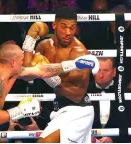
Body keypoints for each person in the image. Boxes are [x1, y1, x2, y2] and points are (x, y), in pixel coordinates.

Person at [0, 43, 99, 143]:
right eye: (22, 60)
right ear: (12, 62)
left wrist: (73, 64)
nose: (24, 62)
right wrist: (20, 111)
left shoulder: (11, 72)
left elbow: (41, 70)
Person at [22, 7, 98, 143]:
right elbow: (27, 73)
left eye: (72, 27)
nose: (68, 32)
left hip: (79, 110)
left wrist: (48, 76)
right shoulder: (45, 46)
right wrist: (30, 39)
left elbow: (76, 95)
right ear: (54, 25)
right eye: (64, 27)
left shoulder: (79, 53)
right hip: (59, 109)